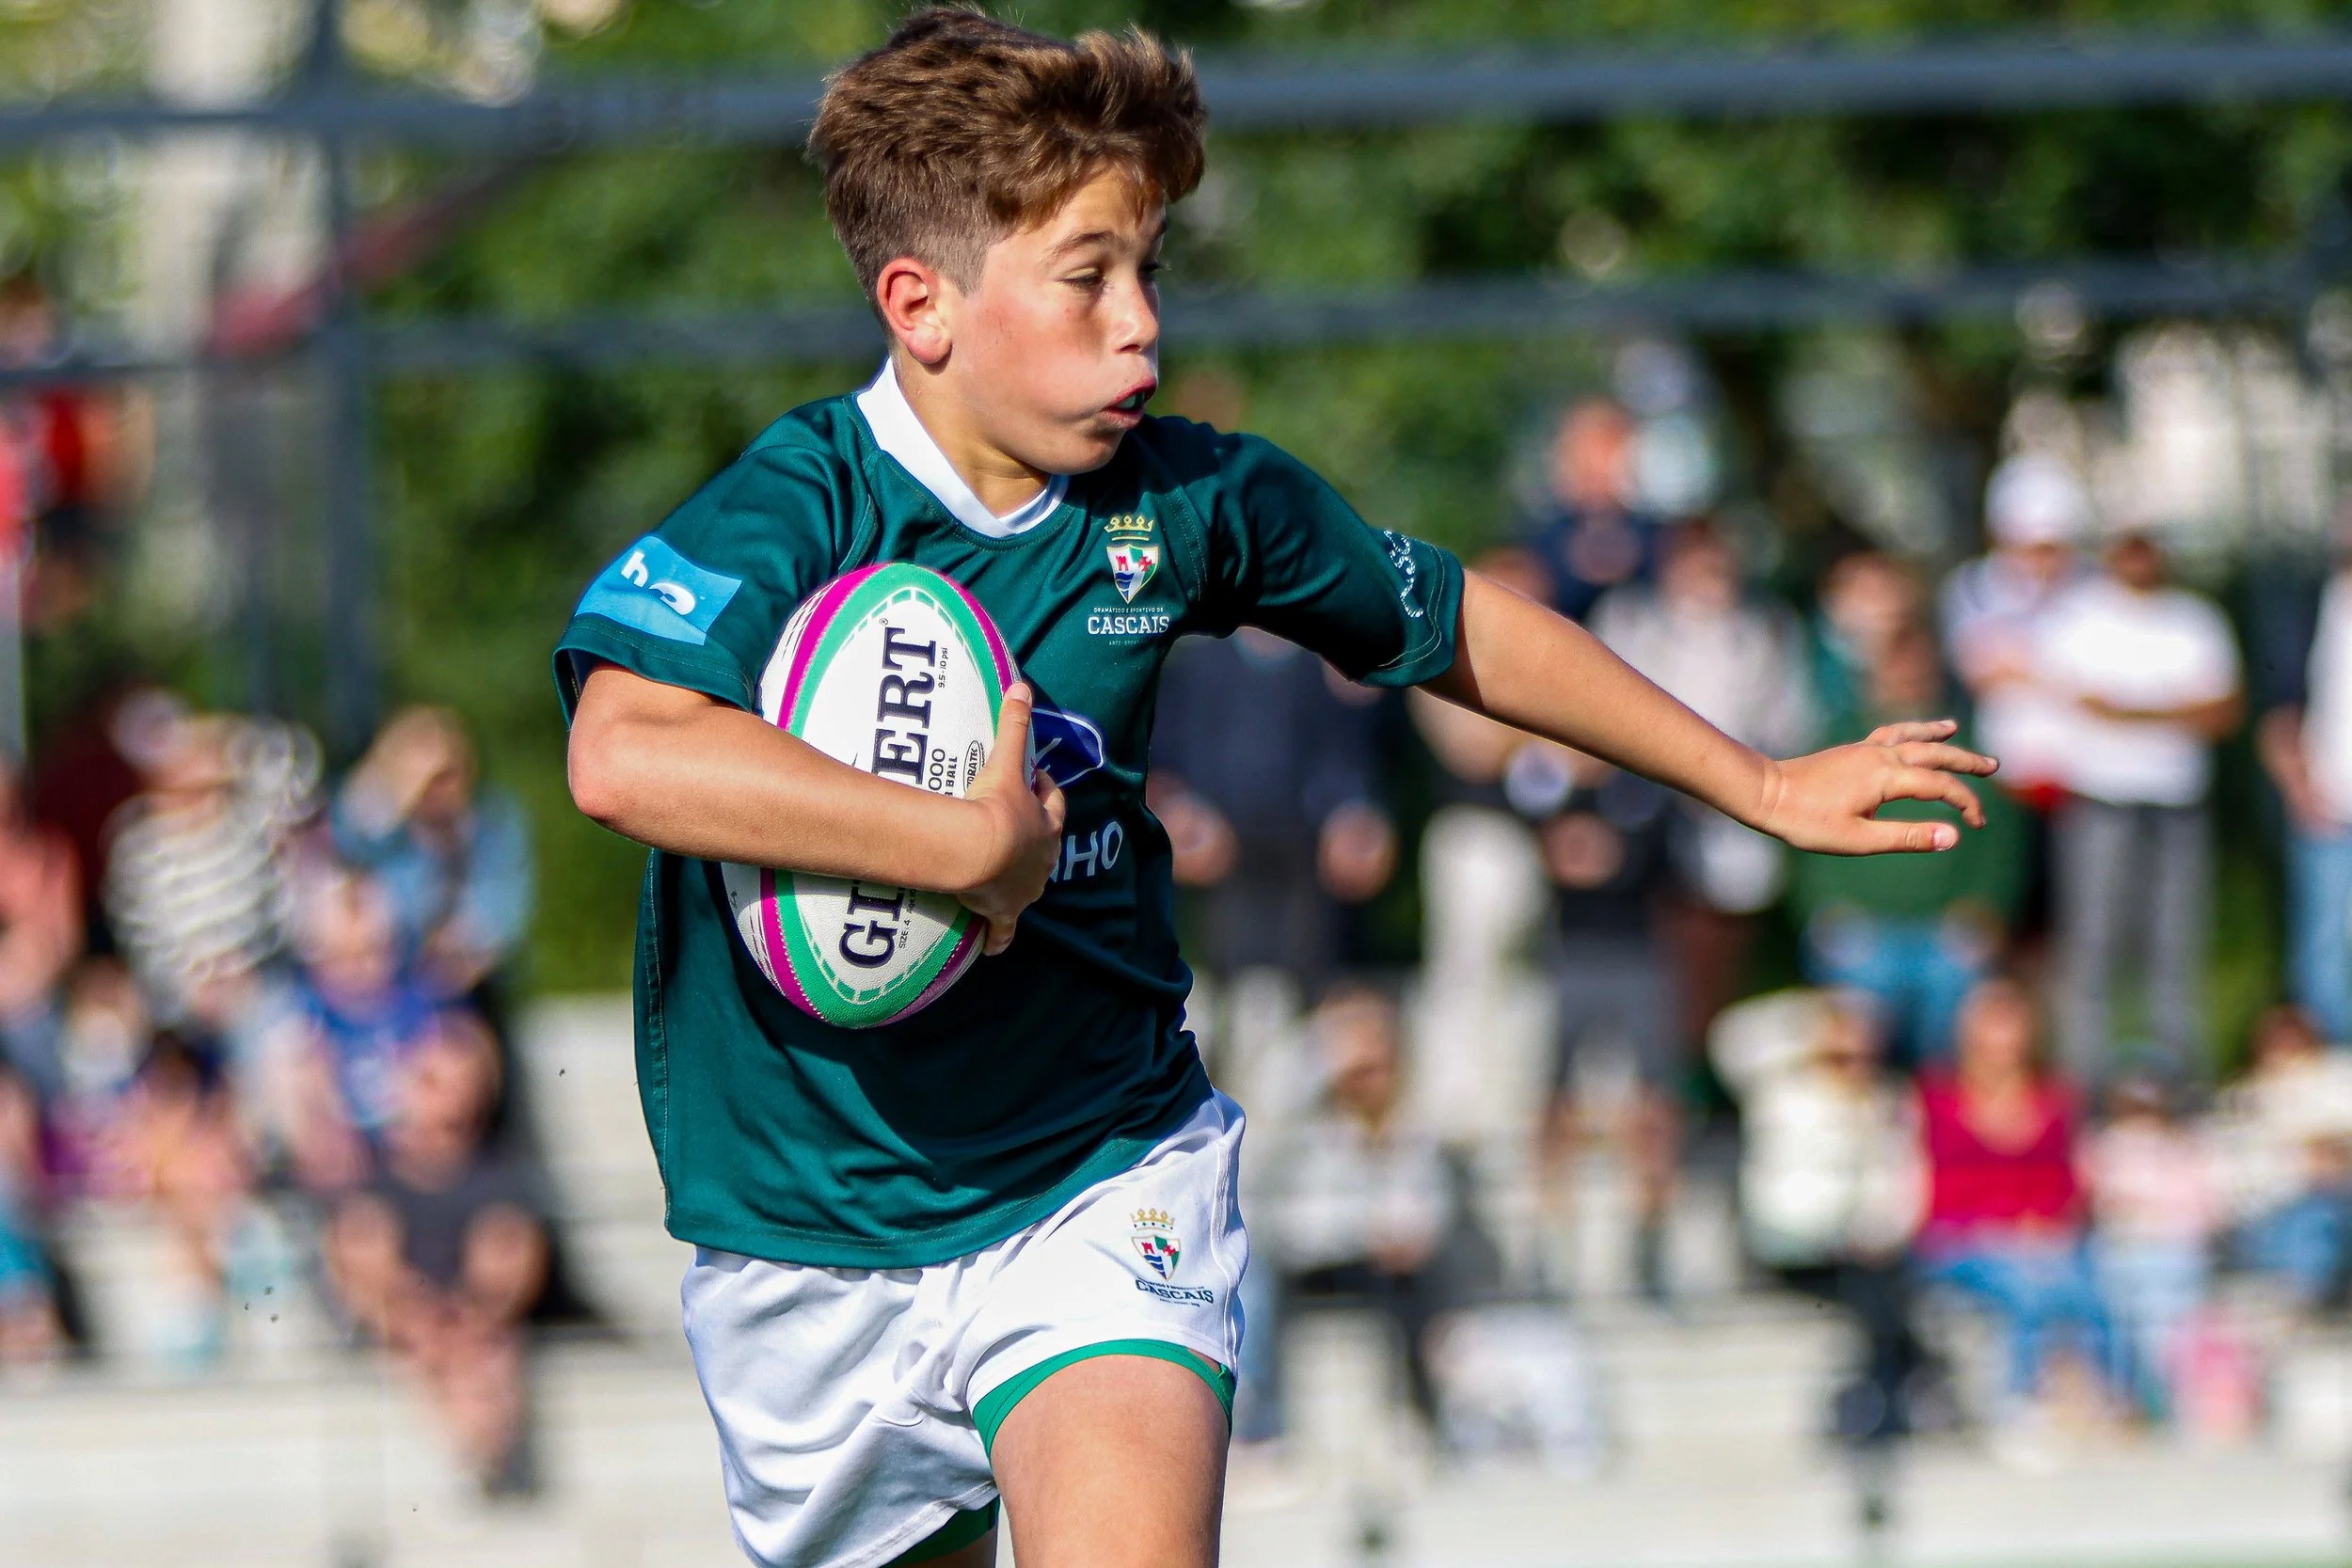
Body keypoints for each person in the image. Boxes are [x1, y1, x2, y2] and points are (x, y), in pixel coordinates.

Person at [556, 14, 1996, 1566]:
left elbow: (1454, 626)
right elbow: (624, 751)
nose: (1142, 331)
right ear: (923, 306)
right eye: (1088, 275)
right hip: (803, 1243)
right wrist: (966, 843)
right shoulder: (802, 503)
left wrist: (1758, 780)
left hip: (1097, 1178)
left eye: (1152, 272)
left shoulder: (1187, 500)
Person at [1592, 517, 1817, 1048]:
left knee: (1720, 957)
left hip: (1732, 814)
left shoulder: (1763, 632)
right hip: (1647, 811)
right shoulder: (1633, 622)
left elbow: (1787, 723)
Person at [2037, 528, 2241, 1090]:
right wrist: (2173, 710)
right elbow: (2082, 702)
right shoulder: (2080, 617)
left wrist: (2130, 710)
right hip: (2102, 802)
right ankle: (2085, 1090)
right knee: (2092, 950)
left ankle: (2180, 1088)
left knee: (2176, 949)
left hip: (2177, 803)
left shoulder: (2194, 619)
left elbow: (2222, 710)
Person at [324, 1010, 548, 1495]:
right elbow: (366, 1270)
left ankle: (474, 1461)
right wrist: (420, 1317)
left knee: (483, 1355)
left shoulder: (500, 1178)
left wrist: (466, 1318)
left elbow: (508, 1265)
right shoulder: (375, 1181)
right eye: (431, 1080)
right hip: (409, 1328)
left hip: (464, 1329)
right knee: (456, 1351)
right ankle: (476, 1464)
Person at [1258, 984, 1494, 1435]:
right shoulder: (1311, 1135)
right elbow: (1296, 1229)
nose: (1374, 1081)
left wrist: (1402, 1238)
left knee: (1421, 1277)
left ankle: (1422, 1411)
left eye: (1381, 1067)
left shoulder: (1417, 1132)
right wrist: (1364, 1235)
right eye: (1361, 1071)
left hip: (1395, 1267)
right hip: (1323, 1266)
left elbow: (1434, 1201)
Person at [1789, 619, 2026, 1066]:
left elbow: (2001, 843)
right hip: (1862, 924)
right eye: (1896, 671)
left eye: (1918, 672)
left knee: (1956, 990)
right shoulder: (1839, 745)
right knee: (1860, 1001)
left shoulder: (1969, 751)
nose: (1907, 684)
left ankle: (1935, 1106)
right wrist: (1825, 907)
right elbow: (1807, 837)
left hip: (1944, 929)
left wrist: (1987, 908)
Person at [1710, 989, 1925, 1444]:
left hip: (1864, 1254)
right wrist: (1816, 1014)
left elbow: (1903, 1190)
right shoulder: (1782, 1094)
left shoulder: (1890, 1104)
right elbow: (1730, 1040)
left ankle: (1870, 1403)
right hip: (1789, 1247)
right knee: (1881, 1297)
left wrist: (1878, 1229)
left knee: (1881, 1285)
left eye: (1861, 1053)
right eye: (1839, 1054)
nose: (1853, 1064)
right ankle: (1885, 1397)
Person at [1516, 744, 1682, 1300]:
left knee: (1653, 1102)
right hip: (1568, 953)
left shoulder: (1641, 785)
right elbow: (1535, 845)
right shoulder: (1545, 779)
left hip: (1637, 954)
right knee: (1554, 1099)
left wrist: (1611, 856)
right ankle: (1545, 1243)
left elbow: (1662, 859)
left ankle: (1650, 1244)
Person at [1914, 977, 2114, 1438]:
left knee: (2089, 1289)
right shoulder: (1935, 1099)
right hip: (1959, 1239)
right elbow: (1927, 1189)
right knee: (2027, 1290)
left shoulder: (2055, 1098)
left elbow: (2069, 1184)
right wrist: (1999, 1229)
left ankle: (2106, 1397)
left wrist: (2044, 1226)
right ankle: (2018, 1401)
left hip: (2042, 1235)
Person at [333, 705, 534, 1000]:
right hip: (386, 986)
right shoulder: (381, 834)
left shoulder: (492, 821)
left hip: (473, 987)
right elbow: (345, 853)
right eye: (429, 780)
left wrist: (466, 952)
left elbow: (506, 912)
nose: (440, 790)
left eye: (447, 775)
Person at [2257, 519, 2352, 1044]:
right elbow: (2279, 706)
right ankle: (2340, 1076)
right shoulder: (2310, 604)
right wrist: (2297, 785)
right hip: (2330, 809)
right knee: (2323, 955)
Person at [2085, 1076, 2219, 1419]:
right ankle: (2127, 1402)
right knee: (2121, 1327)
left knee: (2168, 1333)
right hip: (2122, 1254)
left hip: (2174, 1255)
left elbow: (2202, 1210)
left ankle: (2171, 1405)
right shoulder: (2105, 1147)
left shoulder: (2184, 1148)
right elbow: (2102, 1201)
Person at [2216, 1005, 2352, 1313]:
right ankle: (2302, 1298)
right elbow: (2241, 1180)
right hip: (2278, 1214)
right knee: (2314, 1216)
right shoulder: (2245, 1098)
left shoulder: (2338, 1077)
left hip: (2337, 1198)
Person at [1514, 398, 1661, 624]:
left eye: (1607, 451)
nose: (1597, 466)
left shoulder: (1662, 537)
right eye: (1584, 453)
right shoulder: (1538, 543)